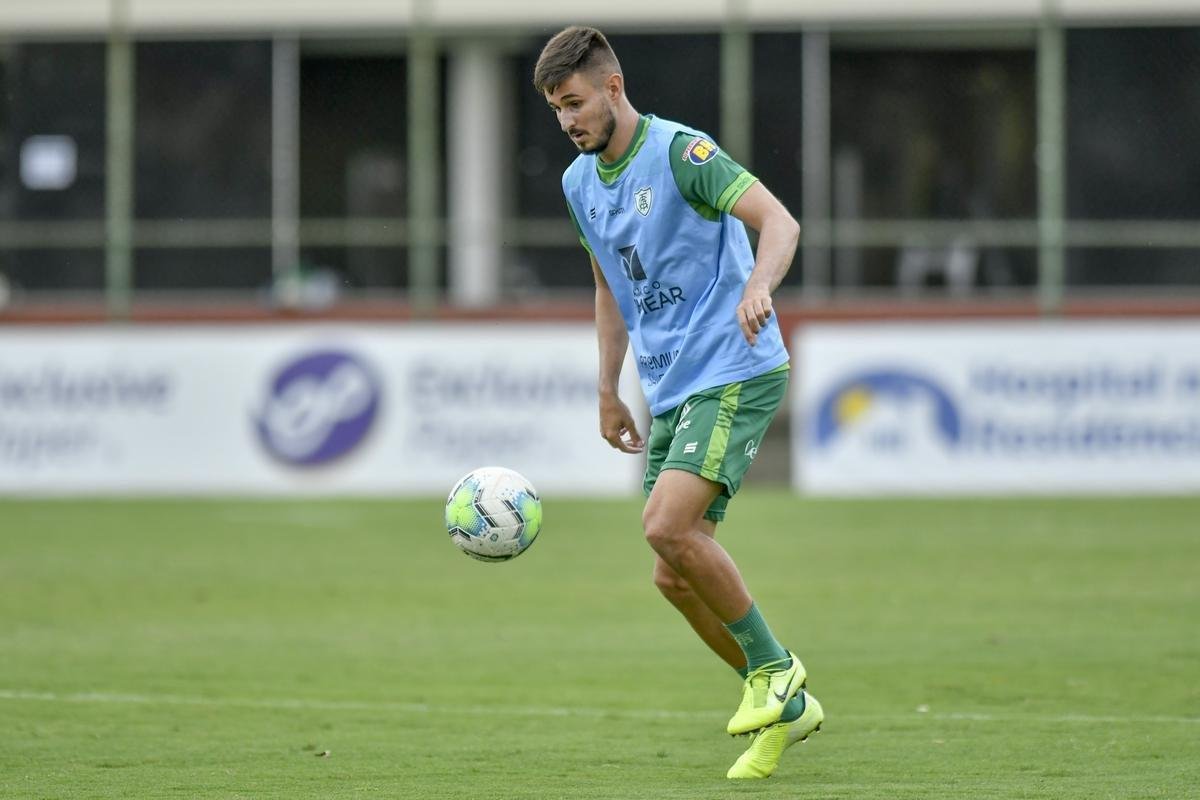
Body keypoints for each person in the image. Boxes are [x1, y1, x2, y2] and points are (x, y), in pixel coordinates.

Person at [533, 26, 823, 779]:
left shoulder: (681, 154)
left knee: (665, 525)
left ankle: (775, 669)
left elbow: (779, 222)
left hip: (734, 367)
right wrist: (608, 389)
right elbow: (608, 289)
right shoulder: (577, 185)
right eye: (556, 110)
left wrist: (760, 285)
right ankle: (785, 703)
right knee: (673, 573)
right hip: (670, 386)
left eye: (574, 103)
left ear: (612, 89)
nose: (567, 122)